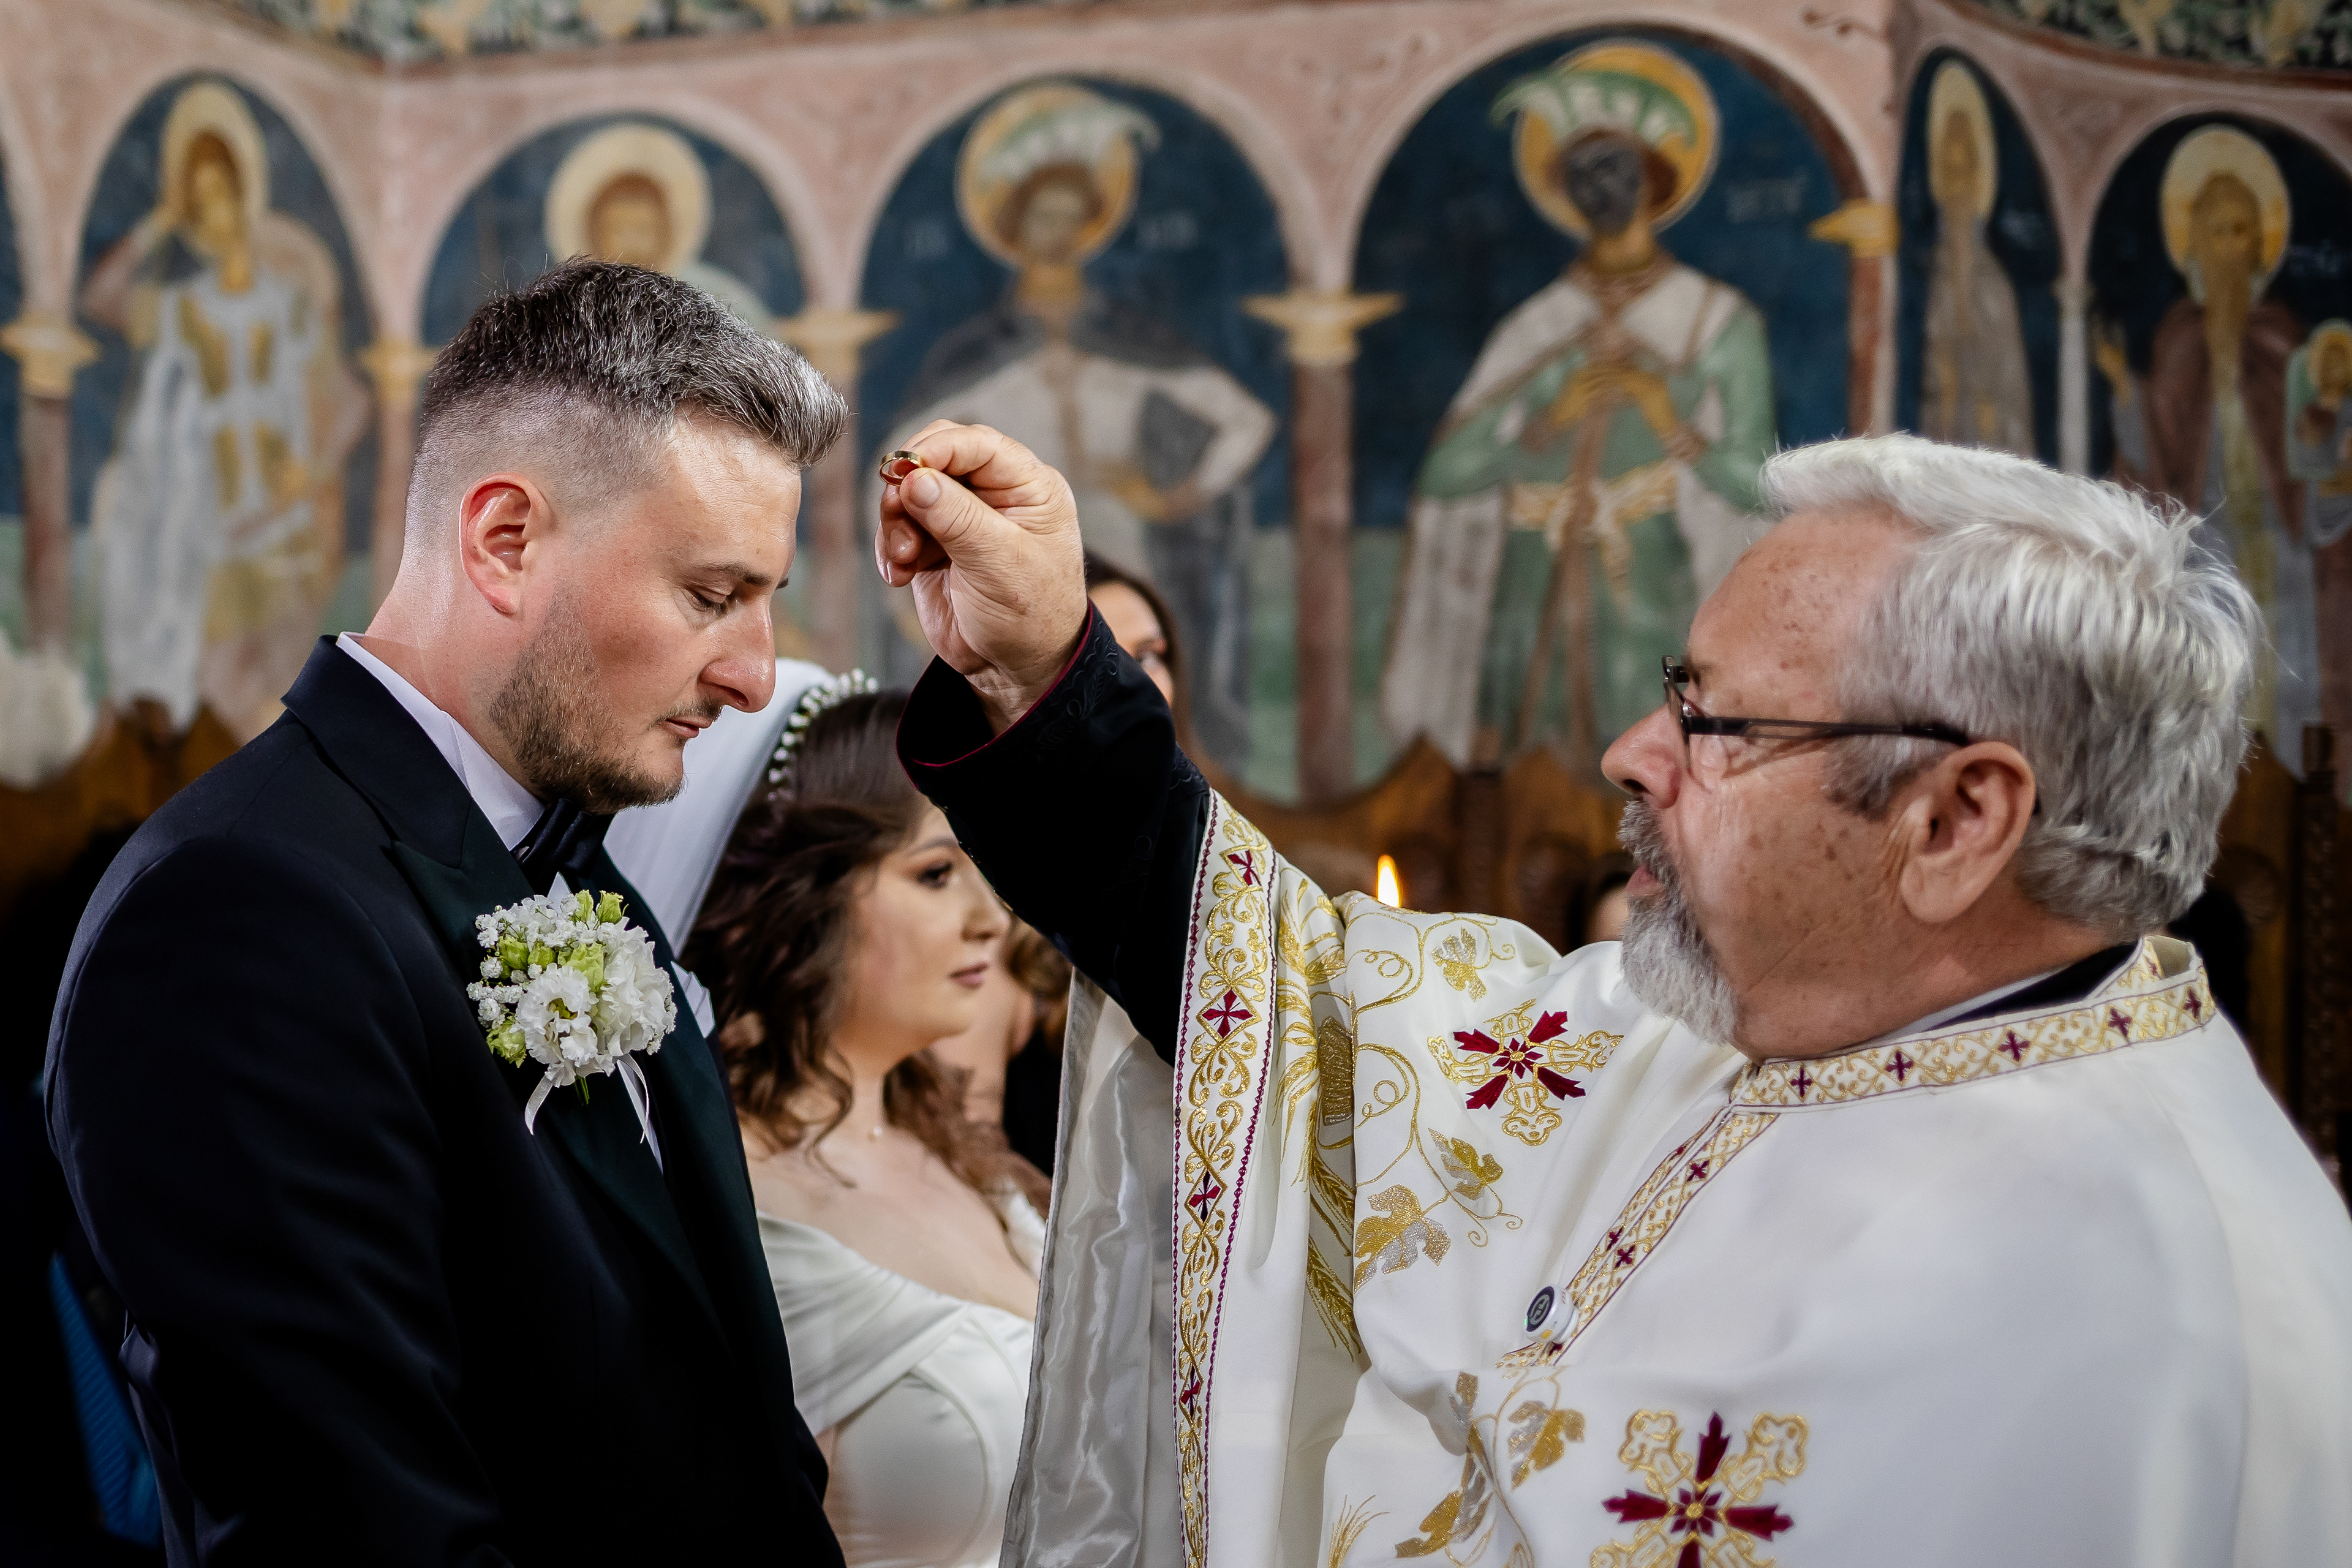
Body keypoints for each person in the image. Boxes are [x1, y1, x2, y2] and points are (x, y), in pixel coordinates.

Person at [876, 420, 2352, 1565]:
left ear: (1957, 818)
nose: (1632, 754)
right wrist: (1047, 673)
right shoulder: (1767, 1023)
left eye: (1715, 720)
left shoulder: (2147, 1312)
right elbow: (1299, 1006)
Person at [45, 260, 850, 1562]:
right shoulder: (240, 913)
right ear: (504, 540)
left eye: (767, 601)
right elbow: (356, 1529)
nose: (757, 675)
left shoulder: (566, 852)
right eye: (712, 596)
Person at [681, 685, 1046, 1568]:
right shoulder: (735, 1206)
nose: (991, 920)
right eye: (936, 873)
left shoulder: (973, 1161)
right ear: (804, 896)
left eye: (982, 867)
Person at [1380, 42, 1774, 771]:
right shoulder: (1538, 327)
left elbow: (1757, 481)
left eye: (1615, 165)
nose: (1600, 187)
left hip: (1646, 577)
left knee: (1651, 767)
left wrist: (1670, 422)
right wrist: (1546, 424)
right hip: (1530, 583)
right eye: (1580, 173)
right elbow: (1446, 472)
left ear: (1655, 176)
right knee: (1521, 775)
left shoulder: (1713, 321)